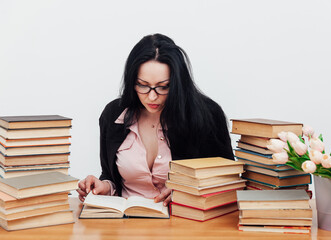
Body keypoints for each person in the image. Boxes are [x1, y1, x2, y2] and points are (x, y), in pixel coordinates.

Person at [77, 33, 234, 206]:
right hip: (126, 224)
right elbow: (110, 175)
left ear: (177, 83)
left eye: (163, 87)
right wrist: (105, 186)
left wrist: (187, 190)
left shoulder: (207, 115)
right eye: (143, 85)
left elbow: (228, 181)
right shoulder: (112, 115)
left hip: (186, 222)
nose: (152, 96)